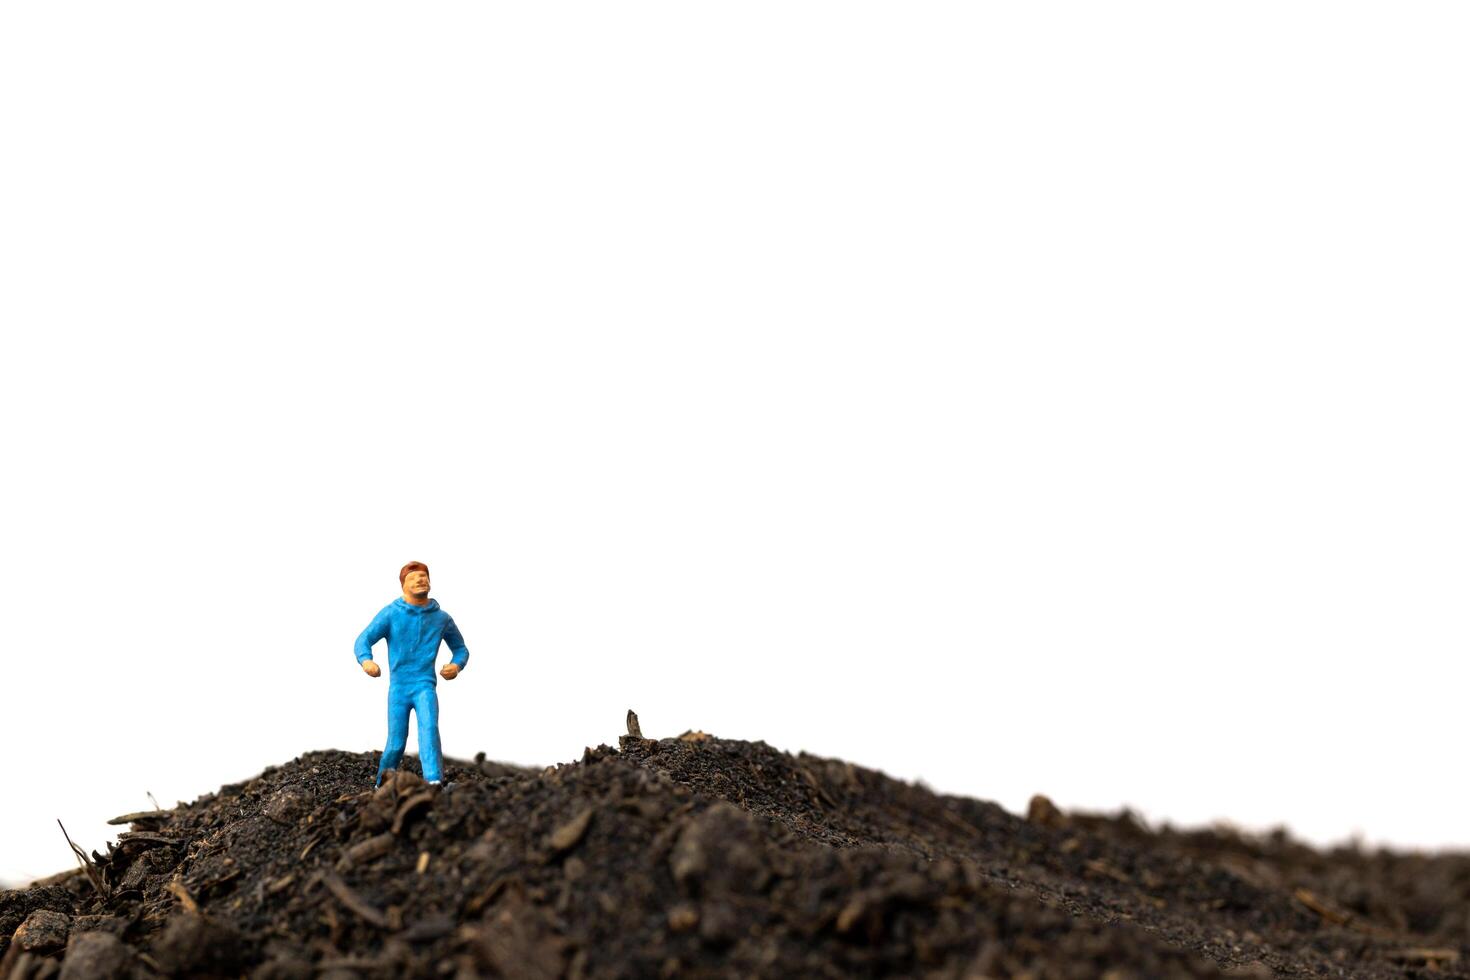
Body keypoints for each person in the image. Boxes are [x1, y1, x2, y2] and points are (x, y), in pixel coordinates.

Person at [355, 561, 469, 786]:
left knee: (429, 730)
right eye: (414, 577)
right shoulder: (391, 614)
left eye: (424, 577)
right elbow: (363, 640)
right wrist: (366, 660)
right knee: (396, 742)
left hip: (425, 685)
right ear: (403, 585)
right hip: (399, 688)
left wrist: (456, 666)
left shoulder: (441, 618)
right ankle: (382, 783)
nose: (421, 580)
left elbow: (460, 649)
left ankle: (434, 781)